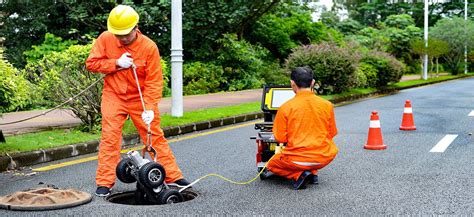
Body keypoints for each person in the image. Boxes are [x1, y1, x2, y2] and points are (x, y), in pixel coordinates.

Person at [86, 5, 189, 197]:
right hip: (113, 95)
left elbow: (154, 81)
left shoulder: (149, 47)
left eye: (126, 33)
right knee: (109, 138)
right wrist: (115, 63)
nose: (122, 38)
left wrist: (149, 108)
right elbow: (91, 63)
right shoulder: (105, 39)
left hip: (140, 99)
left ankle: (173, 176)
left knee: (153, 136)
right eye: (118, 34)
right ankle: (104, 182)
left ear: (136, 27)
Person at [267, 67, 338, 190]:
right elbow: (331, 133)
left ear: (292, 84)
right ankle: (313, 173)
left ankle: (300, 174)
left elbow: (280, 138)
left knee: (271, 164)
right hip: (324, 157)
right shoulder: (327, 105)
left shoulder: (285, 107)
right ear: (312, 83)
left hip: (297, 160)